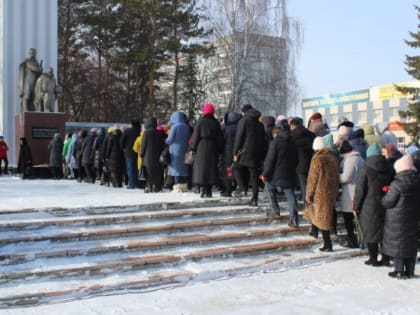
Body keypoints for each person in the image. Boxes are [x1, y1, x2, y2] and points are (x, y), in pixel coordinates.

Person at [353, 143, 394, 266]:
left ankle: (373, 258)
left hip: (369, 205)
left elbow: (360, 190)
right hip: (386, 203)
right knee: (384, 232)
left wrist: (356, 207)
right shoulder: (389, 167)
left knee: (370, 231)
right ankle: (386, 258)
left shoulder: (365, 169)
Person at [382, 154, 420, 279]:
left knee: (398, 244)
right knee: (410, 243)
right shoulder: (417, 181)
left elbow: (388, 202)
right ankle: (409, 270)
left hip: (397, 219)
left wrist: (383, 196)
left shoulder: (396, 184)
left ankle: (398, 270)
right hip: (412, 217)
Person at [303, 136, 340, 251]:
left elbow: (312, 179)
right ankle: (317, 234)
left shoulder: (317, 159)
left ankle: (327, 244)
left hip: (320, 193)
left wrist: (309, 194)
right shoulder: (333, 158)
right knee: (324, 216)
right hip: (331, 191)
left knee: (322, 218)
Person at [263, 120, 299, 226]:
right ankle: (294, 218)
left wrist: (265, 173)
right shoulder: (292, 141)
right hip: (290, 172)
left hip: (276, 173)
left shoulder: (276, 142)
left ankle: (275, 211)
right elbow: (296, 158)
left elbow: (270, 160)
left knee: (268, 188)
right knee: (290, 194)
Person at [232, 104, 266, 206]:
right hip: (257, 153)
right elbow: (263, 140)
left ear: (244, 112)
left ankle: (242, 187)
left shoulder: (244, 121)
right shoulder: (260, 124)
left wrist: (235, 152)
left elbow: (239, 137)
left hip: (245, 152)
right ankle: (254, 199)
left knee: (235, 167)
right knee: (254, 176)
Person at [191, 103, 224, 198]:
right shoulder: (216, 123)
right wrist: (220, 150)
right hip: (213, 147)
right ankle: (208, 190)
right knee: (211, 169)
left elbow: (195, 136)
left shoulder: (200, 122)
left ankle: (204, 190)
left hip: (201, 147)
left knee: (202, 169)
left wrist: (193, 147)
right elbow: (220, 138)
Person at [338, 140, 365, 248]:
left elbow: (346, 177)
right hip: (359, 190)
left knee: (348, 218)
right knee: (357, 218)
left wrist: (336, 177)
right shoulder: (360, 158)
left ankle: (352, 240)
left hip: (350, 191)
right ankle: (360, 240)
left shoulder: (350, 160)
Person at [290, 117, 315, 204]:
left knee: (303, 185)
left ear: (293, 125)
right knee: (311, 184)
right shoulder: (311, 134)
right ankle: (312, 202)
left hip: (299, 164)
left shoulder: (292, 135)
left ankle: (307, 204)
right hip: (312, 162)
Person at [166, 111, 191, 192]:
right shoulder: (186, 126)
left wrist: (166, 139)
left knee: (176, 170)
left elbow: (169, 140)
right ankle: (184, 186)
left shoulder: (174, 127)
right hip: (184, 149)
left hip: (175, 150)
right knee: (183, 169)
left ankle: (177, 186)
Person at [141, 117, 165, 192]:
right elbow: (162, 145)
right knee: (156, 172)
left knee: (148, 172)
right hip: (157, 156)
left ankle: (149, 186)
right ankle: (156, 186)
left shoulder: (146, 133)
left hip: (147, 157)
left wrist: (141, 154)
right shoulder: (159, 133)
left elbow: (143, 145)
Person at [221, 111, 242, 197]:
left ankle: (228, 190)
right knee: (237, 171)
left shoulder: (226, 128)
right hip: (238, 152)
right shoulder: (239, 128)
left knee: (228, 171)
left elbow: (222, 140)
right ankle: (238, 187)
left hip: (227, 152)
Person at [120, 119, 141, 189]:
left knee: (130, 169)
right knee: (137, 169)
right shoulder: (140, 132)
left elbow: (121, 142)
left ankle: (131, 184)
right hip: (139, 152)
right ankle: (137, 183)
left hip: (129, 152)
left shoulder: (127, 131)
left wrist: (124, 148)